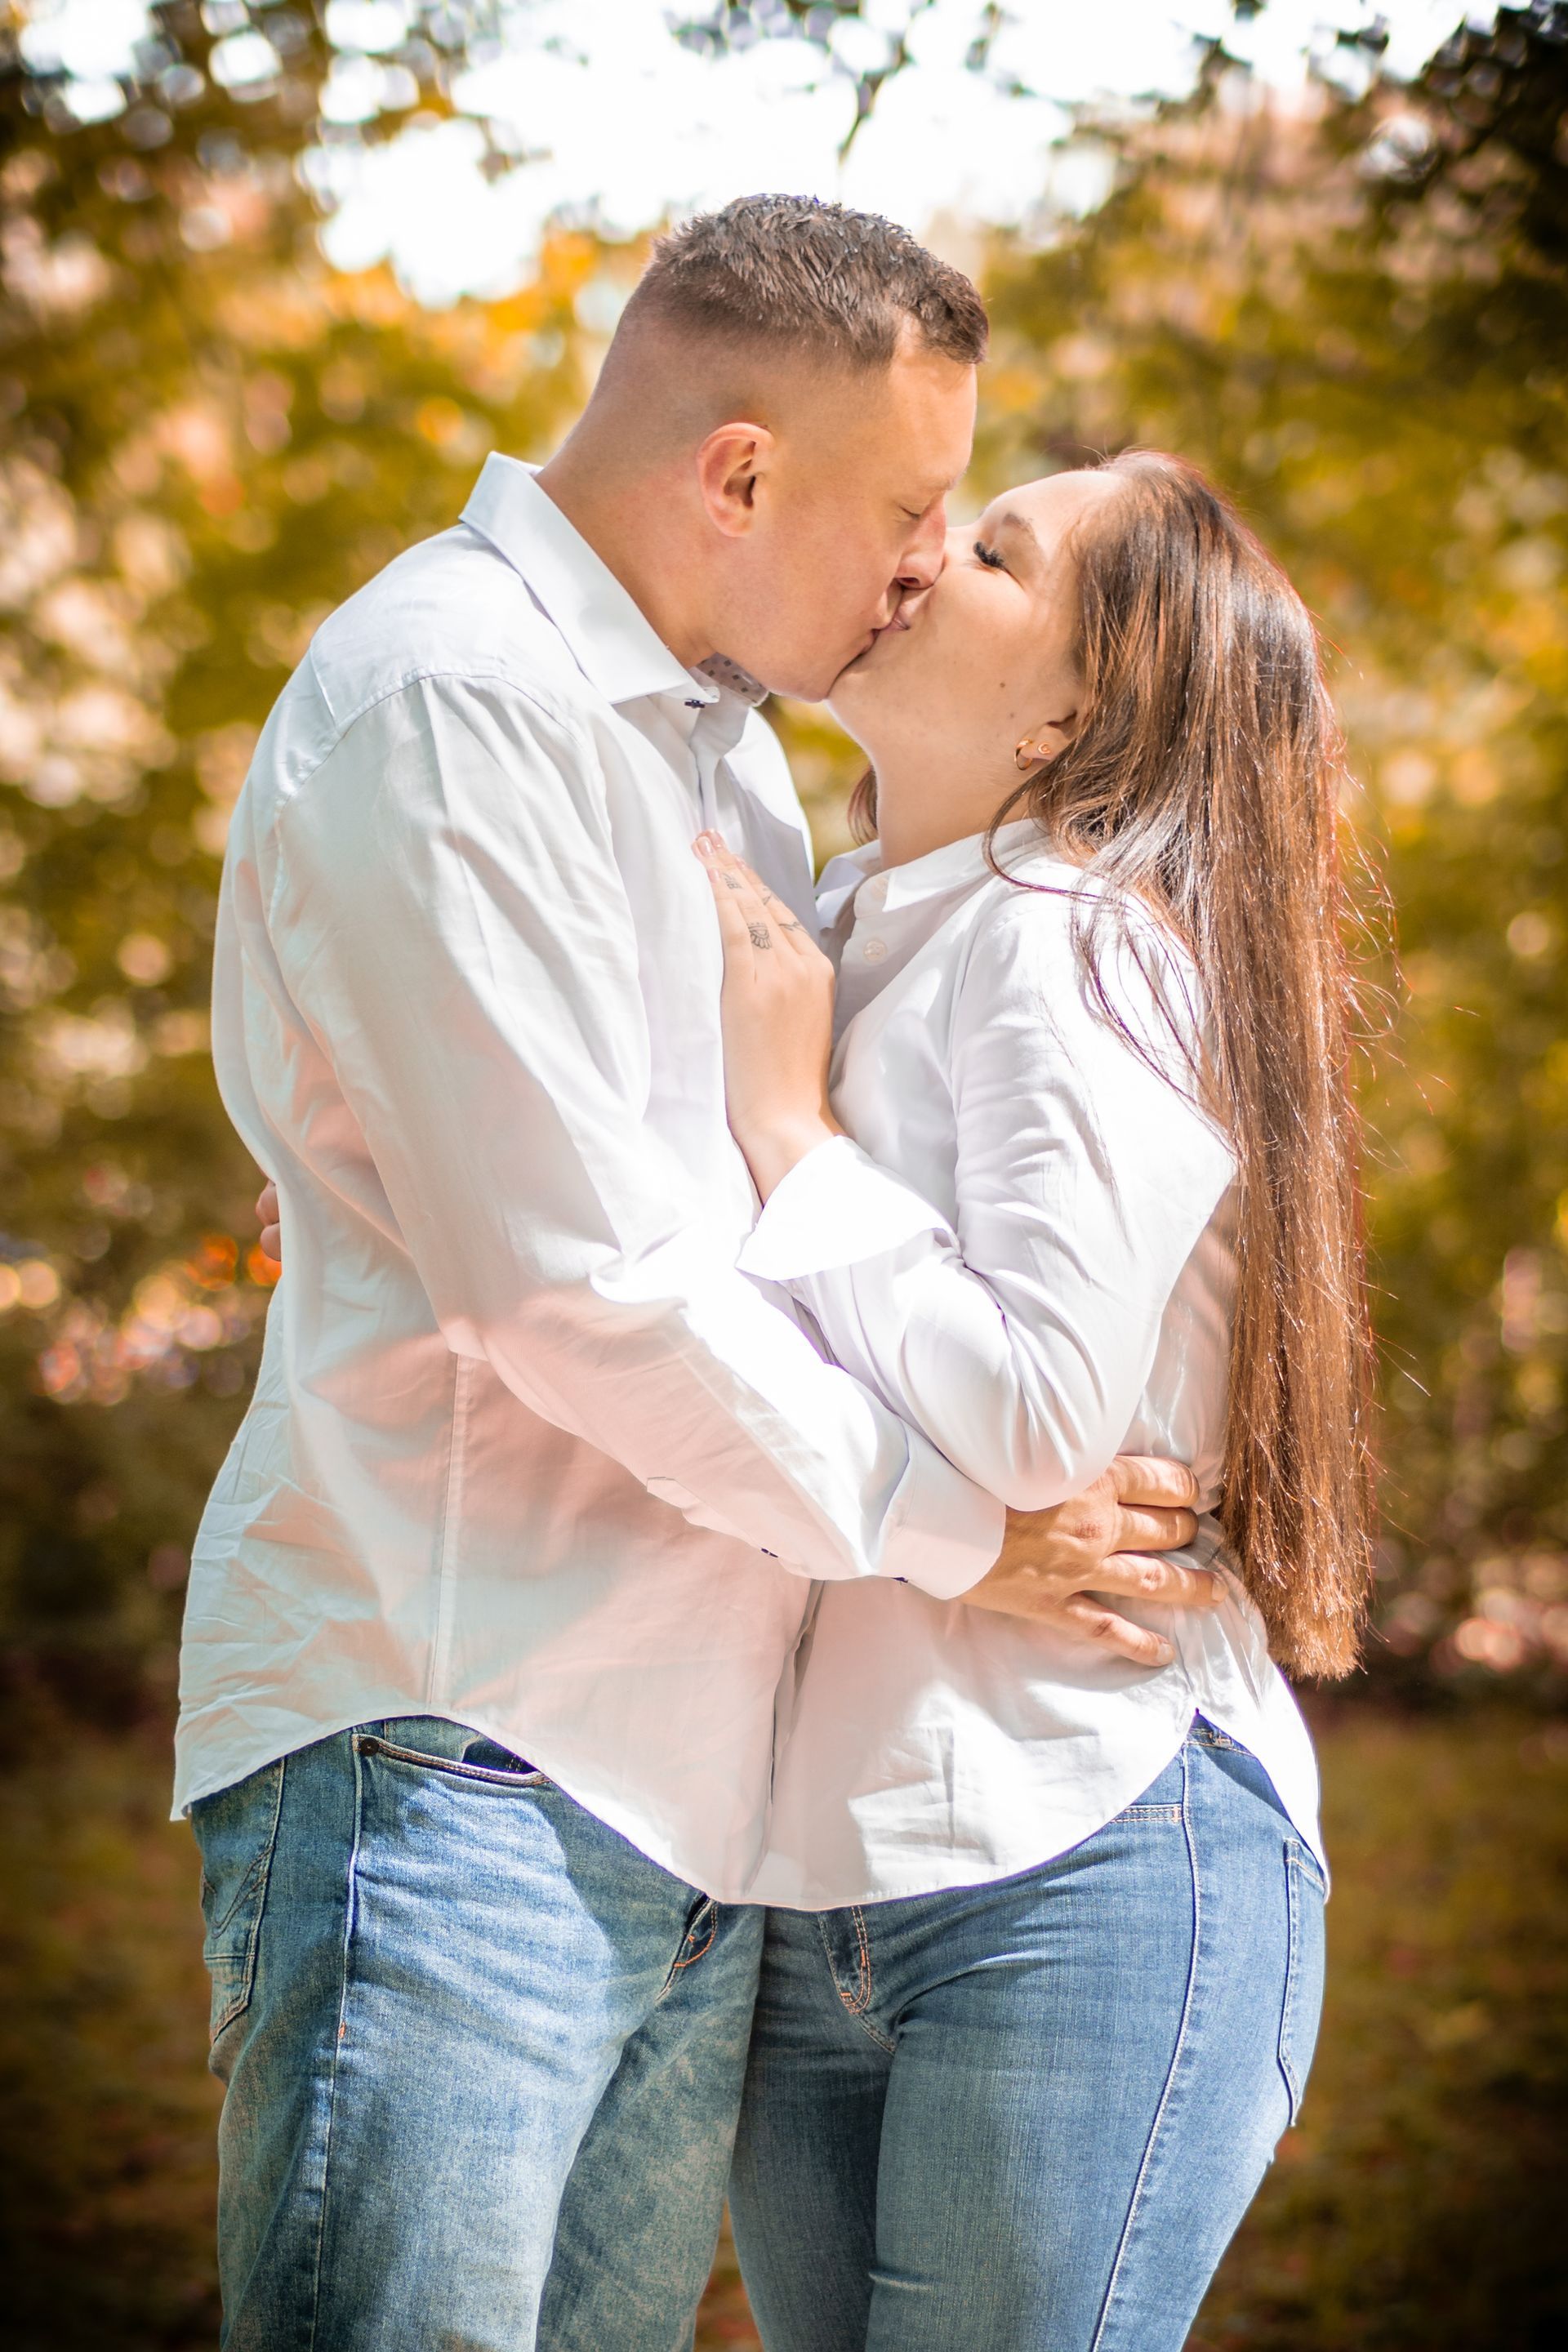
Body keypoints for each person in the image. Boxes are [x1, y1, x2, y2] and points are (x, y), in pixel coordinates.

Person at [184, 197, 1209, 2352]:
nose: (927, 565)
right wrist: (962, 1530)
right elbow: (582, 1289)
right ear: (740, 471)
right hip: (452, 1741)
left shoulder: (730, 756)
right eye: (914, 509)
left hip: (680, 1806)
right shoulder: (452, 702)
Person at [695, 451, 1373, 2351]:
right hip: (820, 1880)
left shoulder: (1070, 941)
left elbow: (1040, 1418)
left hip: (1079, 1853)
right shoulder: (835, 924)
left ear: (1082, 706)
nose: (924, 551)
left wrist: (786, 1132)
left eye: (994, 552)